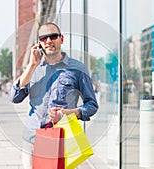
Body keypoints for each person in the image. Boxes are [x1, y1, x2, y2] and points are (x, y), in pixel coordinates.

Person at [9, 22, 98, 169]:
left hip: (62, 141)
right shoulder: (33, 68)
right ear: (39, 44)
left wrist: (69, 113)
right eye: (44, 38)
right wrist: (31, 66)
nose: (49, 41)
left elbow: (92, 105)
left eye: (53, 36)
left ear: (61, 39)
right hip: (32, 139)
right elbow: (14, 97)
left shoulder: (77, 69)